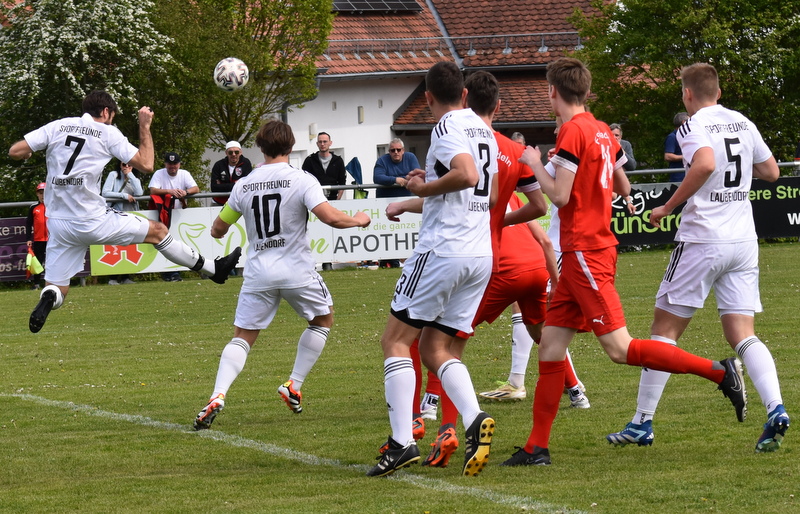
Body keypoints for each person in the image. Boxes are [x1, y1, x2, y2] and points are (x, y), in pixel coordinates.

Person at [500, 58, 747, 468]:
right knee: (551, 348)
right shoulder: (599, 128)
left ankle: (720, 372)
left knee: (619, 349)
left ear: (552, 92)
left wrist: (533, 162)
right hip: (584, 252)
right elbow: (622, 181)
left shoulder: (573, 131)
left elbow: (559, 196)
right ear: (586, 91)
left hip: (584, 252)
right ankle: (535, 448)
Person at [606, 63, 788, 453]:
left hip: (703, 238)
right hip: (743, 240)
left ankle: (641, 422)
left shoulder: (692, 125)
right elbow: (771, 171)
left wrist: (668, 206)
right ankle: (776, 407)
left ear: (687, 94)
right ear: (718, 92)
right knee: (742, 333)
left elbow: (704, 163)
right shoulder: (742, 122)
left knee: (664, 331)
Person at [8, 90, 241, 333]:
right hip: (92, 219)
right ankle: (213, 270)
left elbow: (15, 151)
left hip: (59, 224)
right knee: (158, 231)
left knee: (58, 287)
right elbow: (147, 164)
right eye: (113, 116)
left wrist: (29, 152)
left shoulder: (58, 126)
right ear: (105, 111)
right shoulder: (107, 132)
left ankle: (48, 298)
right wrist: (144, 126)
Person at [193, 120, 371, 430]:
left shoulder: (244, 184)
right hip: (296, 270)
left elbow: (218, 229)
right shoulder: (301, 179)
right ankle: (293, 384)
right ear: (290, 146)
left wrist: (223, 227)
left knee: (242, 337)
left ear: (260, 147)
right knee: (323, 319)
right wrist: (358, 219)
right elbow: (330, 217)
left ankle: (217, 394)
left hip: (259, 272)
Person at [366, 61, 498, 478]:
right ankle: (475, 418)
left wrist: (425, 185)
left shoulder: (446, 125)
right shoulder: (485, 130)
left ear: (427, 98)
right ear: (464, 93)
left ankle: (402, 442)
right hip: (479, 254)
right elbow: (488, 194)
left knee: (395, 340)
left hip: (444, 251)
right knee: (434, 349)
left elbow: (466, 174)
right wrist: (432, 183)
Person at [149, 152, 201, 281]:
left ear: (179, 164)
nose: (172, 166)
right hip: (163, 214)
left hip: (179, 214)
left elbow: (196, 188)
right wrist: (169, 191)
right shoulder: (159, 173)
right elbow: (153, 190)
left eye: (175, 163)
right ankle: (170, 273)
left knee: (179, 244)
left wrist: (185, 192)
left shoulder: (184, 174)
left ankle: (176, 272)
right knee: (167, 243)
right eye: (170, 163)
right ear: (165, 164)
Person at [102, 161, 144, 285]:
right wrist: (123, 196)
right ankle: (112, 278)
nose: (126, 167)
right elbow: (105, 192)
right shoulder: (113, 175)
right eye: (124, 164)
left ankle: (126, 277)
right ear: (119, 165)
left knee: (129, 244)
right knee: (115, 245)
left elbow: (139, 192)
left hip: (131, 215)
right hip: (115, 214)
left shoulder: (134, 178)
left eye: (129, 165)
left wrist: (130, 175)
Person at [302, 132, 346, 202]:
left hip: (333, 199)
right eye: (320, 142)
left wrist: (337, 200)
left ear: (330, 143)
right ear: (317, 144)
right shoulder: (310, 160)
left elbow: (342, 182)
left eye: (325, 141)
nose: (322, 144)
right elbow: (304, 181)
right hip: (314, 199)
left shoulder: (338, 161)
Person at [211, 140, 252, 205]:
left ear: (240, 152)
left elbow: (247, 186)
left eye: (236, 152)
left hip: (239, 202)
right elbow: (214, 188)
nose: (233, 154)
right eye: (230, 152)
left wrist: (222, 185)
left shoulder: (246, 163)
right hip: (219, 202)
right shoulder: (218, 165)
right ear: (226, 153)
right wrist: (236, 184)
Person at [26, 182, 48, 289]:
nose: (43, 195)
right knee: (38, 261)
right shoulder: (33, 207)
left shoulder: (54, 206)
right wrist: (28, 238)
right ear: (37, 194)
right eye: (40, 193)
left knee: (52, 261)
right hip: (38, 239)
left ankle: (51, 283)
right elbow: (28, 224)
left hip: (52, 239)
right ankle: (37, 283)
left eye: (45, 192)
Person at [664, 112, 689, 181]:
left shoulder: (687, 136)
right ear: (684, 122)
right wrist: (686, 157)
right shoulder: (672, 137)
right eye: (689, 121)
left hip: (688, 174)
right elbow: (668, 156)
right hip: (678, 177)